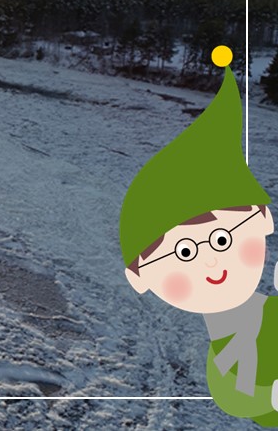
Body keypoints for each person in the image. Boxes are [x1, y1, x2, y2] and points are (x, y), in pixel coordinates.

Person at [121, 45, 276, 424]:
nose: (211, 260)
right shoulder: (228, 358)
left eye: (223, 240)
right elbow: (246, 402)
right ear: (141, 276)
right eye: (184, 252)